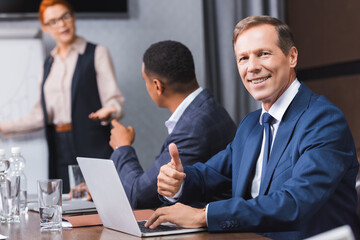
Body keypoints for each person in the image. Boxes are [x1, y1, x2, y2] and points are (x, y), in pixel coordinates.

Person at [145, 16, 360, 239]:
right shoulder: (251, 124)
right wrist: (177, 181)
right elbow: (211, 173)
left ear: (292, 57)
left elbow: (295, 203)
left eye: (263, 54)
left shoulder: (323, 120)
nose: (252, 67)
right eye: (243, 58)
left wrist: (203, 215)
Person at [0, 0, 124, 192]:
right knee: (64, 203)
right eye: (53, 21)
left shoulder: (96, 53)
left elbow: (114, 100)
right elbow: (40, 115)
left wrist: (111, 110)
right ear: (45, 27)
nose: (62, 24)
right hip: (59, 145)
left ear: (73, 16)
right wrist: (2, 127)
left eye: (65, 16)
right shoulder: (48, 63)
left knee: (99, 199)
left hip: (92, 141)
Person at [109, 40, 237, 209]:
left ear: (157, 86)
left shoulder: (193, 127)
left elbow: (139, 196)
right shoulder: (209, 109)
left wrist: (122, 147)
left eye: (144, 80)